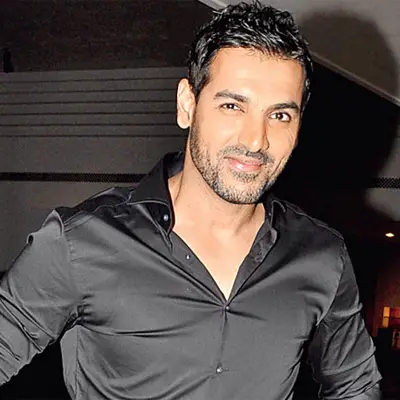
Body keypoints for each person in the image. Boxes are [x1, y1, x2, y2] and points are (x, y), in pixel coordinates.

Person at [0, 2, 382, 399]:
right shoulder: (81, 243)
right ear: (188, 104)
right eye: (232, 106)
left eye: (280, 115)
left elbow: (356, 387)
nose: (256, 140)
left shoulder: (322, 257)